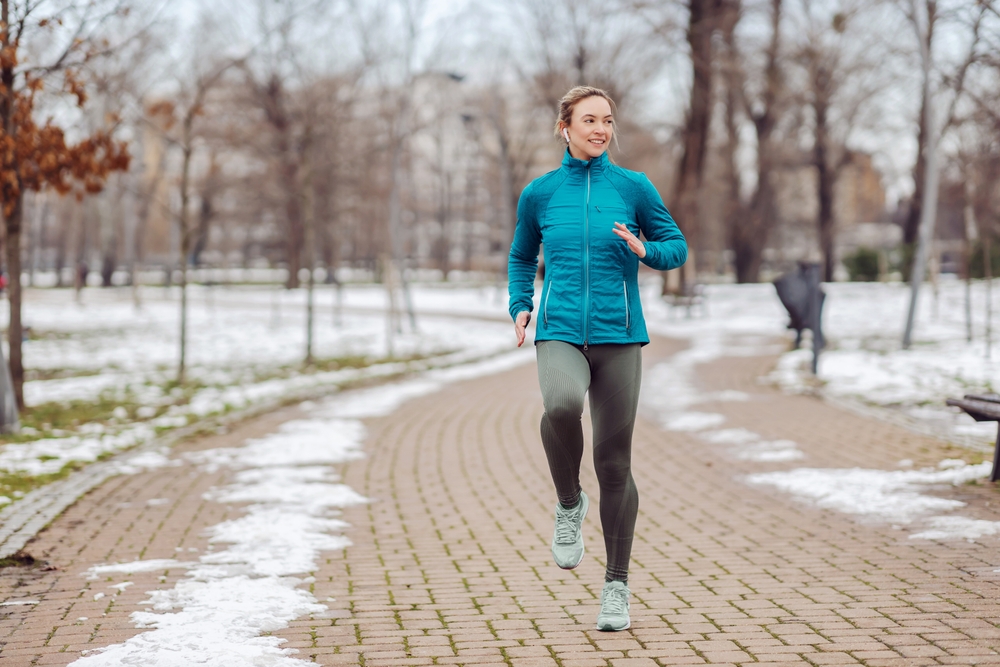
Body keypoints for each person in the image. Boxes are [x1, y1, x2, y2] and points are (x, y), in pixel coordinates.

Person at [507, 86, 688, 632]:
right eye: (589, 120)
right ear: (565, 126)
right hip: (560, 329)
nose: (600, 129)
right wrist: (521, 306)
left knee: (615, 464)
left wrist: (645, 250)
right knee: (560, 405)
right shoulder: (540, 194)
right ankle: (568, 503)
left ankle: (616, 584)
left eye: (607, 120)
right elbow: (521, 256)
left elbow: (675, 245)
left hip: (620, 336)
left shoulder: (633, 187)